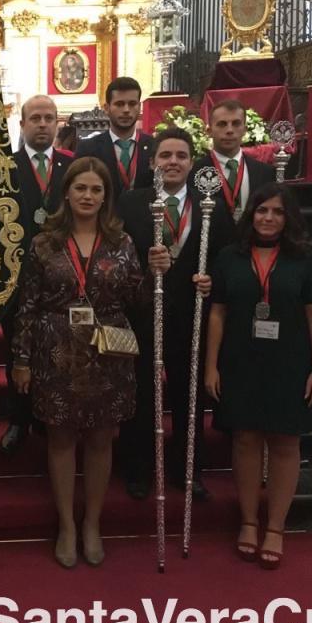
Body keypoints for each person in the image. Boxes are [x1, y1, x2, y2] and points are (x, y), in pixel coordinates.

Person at [11, 157, 170, 568]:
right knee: (61, 439)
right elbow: (26, 306)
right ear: (66, 192)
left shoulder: (122, 243)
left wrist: (156, 275)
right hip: (55, 352)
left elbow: (138, 300)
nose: (88, 196)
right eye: (81, 188)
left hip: (108, 351)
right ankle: (66, 524)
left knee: (101, 439)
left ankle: (92, 524)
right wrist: (22, 360)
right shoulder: (43, 243)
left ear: (106, 196)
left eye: (96, 190)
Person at [205, 183, 312, 569]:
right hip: (240, 361)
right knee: (245, 439)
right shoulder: (229, 256)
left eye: (277, 212)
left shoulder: (305, 258)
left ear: (287, 217)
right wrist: (211, 365)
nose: (269, 218)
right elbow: (218, 313)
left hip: (289, 362)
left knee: (285, 443)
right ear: (251, 214)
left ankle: (275, 527)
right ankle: (247, 520)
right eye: (262, 211)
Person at [117, 128, 227, 501]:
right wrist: (146, 269)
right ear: (153, 163)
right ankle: (139, 469)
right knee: (141, 393)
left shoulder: (211, 204)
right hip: (144, 313)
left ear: (192, 162)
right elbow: (117, 258)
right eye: (166, 156)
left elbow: (223, 255)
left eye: (181, 155)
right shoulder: (131, 203)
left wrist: (211, 279)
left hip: (191, 314)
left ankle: (188, 470)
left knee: (188, 395)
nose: (173, 162)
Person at [1, 95, 75, 455]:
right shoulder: (5, 168)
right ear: (23, 124)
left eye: (49, 118)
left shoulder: (72, 167)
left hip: (62, 275)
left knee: (55, 348)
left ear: (58, 123)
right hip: (15, 276)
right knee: (16, 346)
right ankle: (18, 419)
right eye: (36, 118)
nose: (43, 124)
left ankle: (50, 417)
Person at [196, 99, 276, 228]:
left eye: (236, 124)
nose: (229, 130)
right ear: (209, 131)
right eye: (222, 124)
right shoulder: (195, 172)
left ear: (244, 129)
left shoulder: (265, 173)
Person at [74, 77, 155, 201]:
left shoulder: (153, 147)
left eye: (132, 104)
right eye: (119, 104)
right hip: (103, 218)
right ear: (106, 108)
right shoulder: (88, 148)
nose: (126, 110)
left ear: (139, 107)